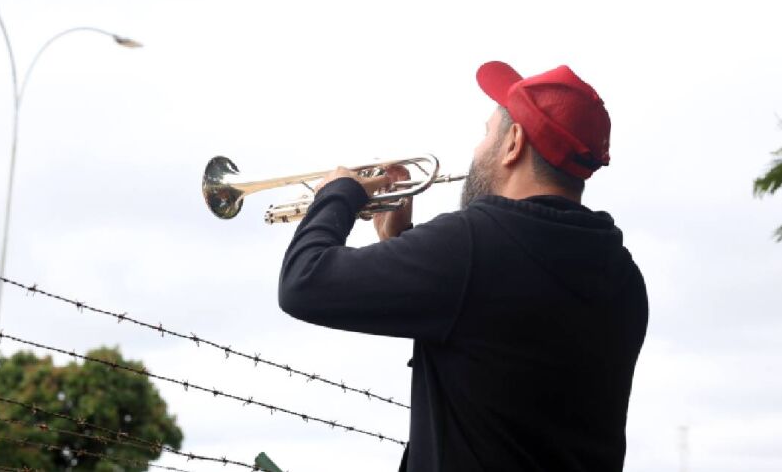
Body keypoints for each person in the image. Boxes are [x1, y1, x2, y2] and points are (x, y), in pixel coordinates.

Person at [278, 61, 648, 472]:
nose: (476, 150)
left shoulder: (474, 244)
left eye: (486, 133)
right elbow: (491, 342)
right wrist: (401, 243)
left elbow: (304, 282)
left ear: (513, 143)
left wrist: (337, 194)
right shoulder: (622, 274)